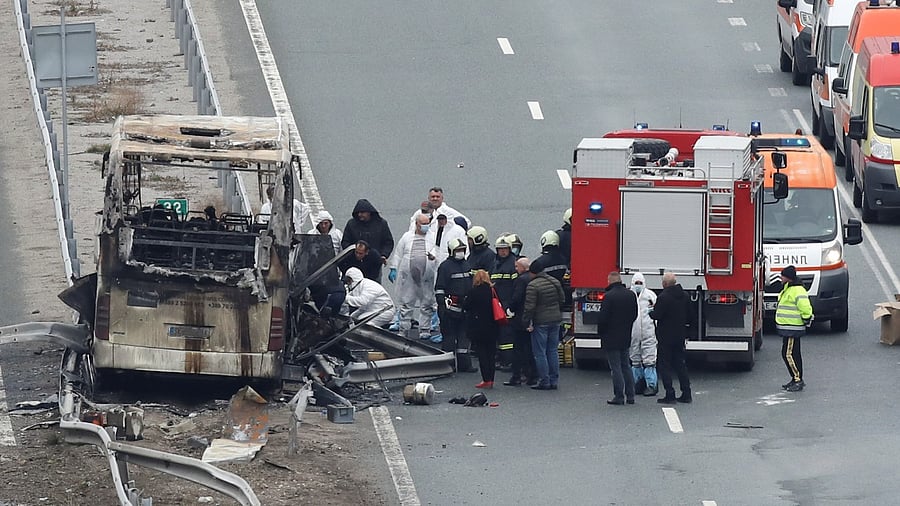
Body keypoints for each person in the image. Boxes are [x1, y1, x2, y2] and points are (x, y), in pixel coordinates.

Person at [388, 214, 437, 340]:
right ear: (416, 224)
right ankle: (404, 329)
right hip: (409, 276)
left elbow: (437, 251)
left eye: (427, 224)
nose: (426, 226)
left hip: (427, 277)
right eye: (423, 224)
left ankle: (425, 329)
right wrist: (393, 267)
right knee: (406, 303)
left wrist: (434, 257)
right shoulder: (407, 237)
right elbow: (398, 253)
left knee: (427, 303)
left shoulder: (433, 236)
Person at [595, 271, 638, 405]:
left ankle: (619, 396)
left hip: (611, 336)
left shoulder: (609, 296)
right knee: (626, 366)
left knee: (615, 367)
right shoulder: (630, 295)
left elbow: (603, 318)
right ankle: (630, 395)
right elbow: (634, 314)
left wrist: (601, 332)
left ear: (610, 281)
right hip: (625, 334)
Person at [522, 262, 565, 390]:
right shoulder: (554, 281)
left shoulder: (533, 285)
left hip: (540, 322)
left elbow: (529, 307)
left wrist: (525, 321)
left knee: (540, 352)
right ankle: (554, 380)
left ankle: (544, 381)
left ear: (532, 272)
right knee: (552, 351)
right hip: (555, 319)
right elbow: (562, 299)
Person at [651, 272, 692, 404]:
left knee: (665, 365)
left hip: (665, 336)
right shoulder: (685, 296)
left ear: (664, 284)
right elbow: (690, 315)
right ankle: (686, 393)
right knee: (680, 364)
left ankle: (670, 393)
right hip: (679, 335)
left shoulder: (663, 297)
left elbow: (657, 315)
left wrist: (650, 312)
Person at [434, 238, 475, 372]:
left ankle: (465, 365)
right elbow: (439, 288)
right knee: (449, 338)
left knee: (464, 337)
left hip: (465, 308)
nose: (460, 252)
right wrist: (442, 305)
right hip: (450, 309)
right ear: (452, 251)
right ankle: (447, 365)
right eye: (458, 250)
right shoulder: (445, 267)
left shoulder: (467, 265)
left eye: (462, 250)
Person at [776, 265, 813, 392]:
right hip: (789, 327)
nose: (781, 278)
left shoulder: (797, 290)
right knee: (794, 354)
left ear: (788, 278)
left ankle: (797, 379)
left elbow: (805, 307)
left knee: (788, 354)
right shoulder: (789, 288)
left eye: (782, 276)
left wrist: (807, 318)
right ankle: (795, 378)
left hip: (792, 328)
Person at [463, 270, 501, 389]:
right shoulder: (492, 290)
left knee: (482, 354)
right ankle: (491, 379)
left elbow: (466, 306)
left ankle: (486, 379)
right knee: (491, 354)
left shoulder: (473, 291)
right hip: (492, 325)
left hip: (478, 326)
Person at [341, 199, 394, 282]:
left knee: (373, 286)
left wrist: (384, 255)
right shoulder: (351, 224)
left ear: (369, 212)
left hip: (374, 264)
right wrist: (355, 253)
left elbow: (388, 242)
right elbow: (345, 241)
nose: (360, 214)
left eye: (362, 212)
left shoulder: (381, 224)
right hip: (355, 263)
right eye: (358, 212)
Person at [504, 257, 536, 386]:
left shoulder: (521, 280)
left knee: (518, 349)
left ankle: (516, 376)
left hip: (520, 319)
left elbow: (516, 298)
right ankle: (532, 376)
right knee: (530, 348)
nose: (516, 269)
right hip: (532, 317)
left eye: (517, 267)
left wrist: (510, 309)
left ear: (523, 267)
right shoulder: (533, 278)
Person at [629, 272, 659, 396]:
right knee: (635, 359)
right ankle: (637, 384)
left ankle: (651, 385)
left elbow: (657, 314)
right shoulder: (629, 296)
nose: (638, 285)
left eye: (640, 283)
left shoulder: (650, 296)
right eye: (636, 283)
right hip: (633, 333)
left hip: (648, 332)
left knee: (649, 360)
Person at [491, 235, 518, 368]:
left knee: (507, 334)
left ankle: (508, 361)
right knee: (498, 333)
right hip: (496, 304)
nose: (502, 251)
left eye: (505, 249)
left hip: (507, 305)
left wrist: (511, 306)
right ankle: (501, 358)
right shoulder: (495, 263)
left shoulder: (513, 264)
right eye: (500, 249)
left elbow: (516, 287)